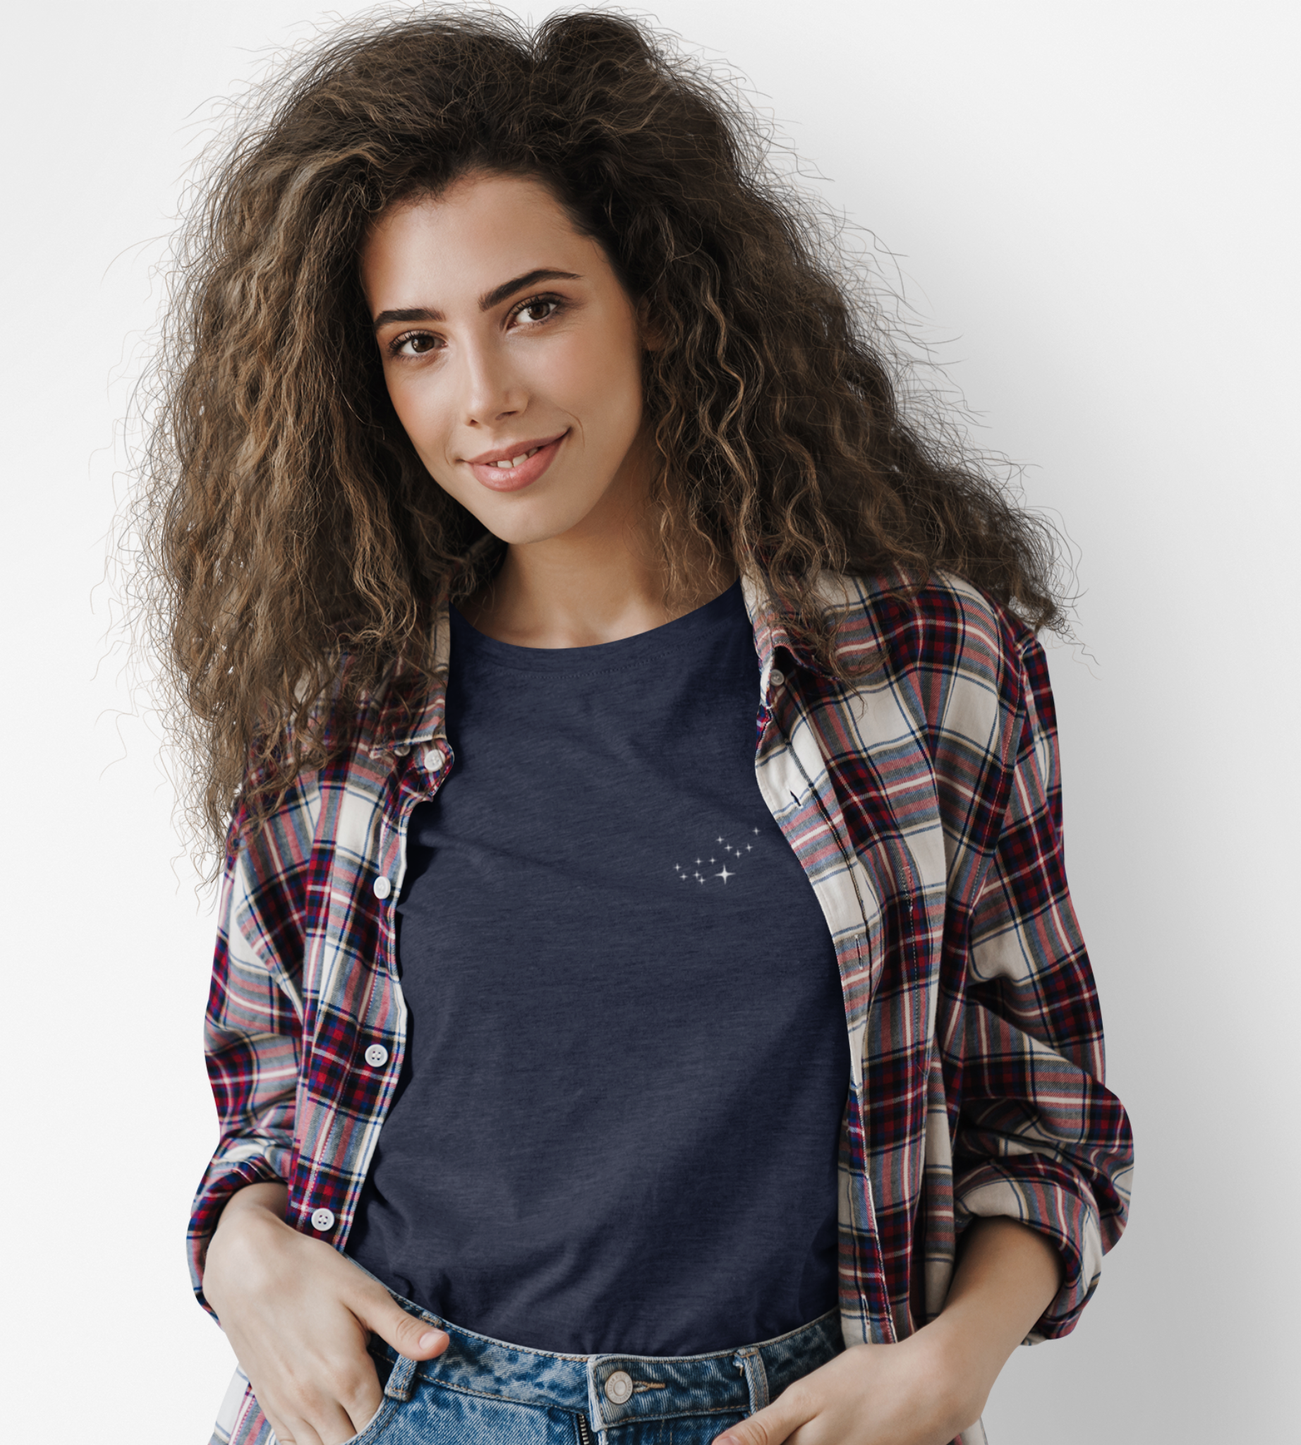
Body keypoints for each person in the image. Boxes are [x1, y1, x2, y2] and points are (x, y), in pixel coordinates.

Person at [134, 10, 1133, 1445]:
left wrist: (953, 1361)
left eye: (535, 309)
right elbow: (270, 1099)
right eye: (418, 343)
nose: (485, 397)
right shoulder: (332, 720)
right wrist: (236, 1246)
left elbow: (1044, 1114)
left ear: (655, 296)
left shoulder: (927, 671)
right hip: (408, 1409)